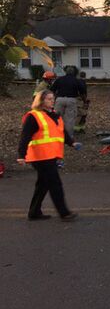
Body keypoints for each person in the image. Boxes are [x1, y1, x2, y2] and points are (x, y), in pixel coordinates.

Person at [17, 90, 81, 221]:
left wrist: (72, 143)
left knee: (43, 184)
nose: (52, 101)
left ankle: (34, 212)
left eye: (53, 99)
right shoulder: (33, 116)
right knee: (55, 184)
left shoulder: (54, 115)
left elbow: (61, 132)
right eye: (48, 99)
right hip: (40, 157)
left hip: (50, 155)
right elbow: (25, 137)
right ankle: (64, 213)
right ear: (41, 101)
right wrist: (21, 155)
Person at [50, 66, 87, 136]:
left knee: (57, 117)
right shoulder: (76, 80)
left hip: (59, 99)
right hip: (71, 100)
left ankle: (55, 133)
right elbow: (82, 92)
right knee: (70, 119)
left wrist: (53, 99)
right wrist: (84, 101)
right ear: (74, 73)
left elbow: (52, 90)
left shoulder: (59, 79)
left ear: (65, 72)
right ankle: (68, 136)